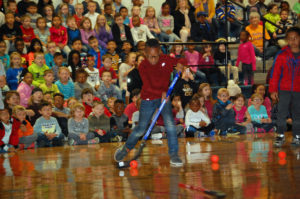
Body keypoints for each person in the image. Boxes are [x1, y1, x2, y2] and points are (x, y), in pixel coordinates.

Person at [114, 39, 184, 167]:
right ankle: (125, 149)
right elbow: (149, 85)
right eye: (150, 56)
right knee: (140, 128)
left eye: (156, 56)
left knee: (170, 126)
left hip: (164, 99)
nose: (153, 59)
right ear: (145, 53)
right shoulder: (143, 66)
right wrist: (162, 92)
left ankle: (174, 154)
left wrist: (180, 65)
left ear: (160, 52)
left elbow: (183, 60)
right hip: (148, 99)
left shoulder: (166, 59)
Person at [269, 26, 300, 147]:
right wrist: (273, 90)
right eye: (290, 38)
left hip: (298, 91)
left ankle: (297, 136)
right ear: (287, 40)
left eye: (296, 38)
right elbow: (274, 73)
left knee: (297, 114)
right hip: (284, 90)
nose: (293, 41)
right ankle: (280, 135)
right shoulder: (282, 54)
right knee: (281, 113)